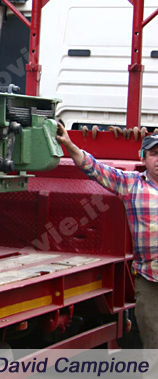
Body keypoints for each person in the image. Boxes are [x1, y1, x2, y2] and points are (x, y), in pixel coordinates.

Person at [57, 123, 158, 348]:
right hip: (150, 282)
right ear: (143, 158)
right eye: (154, 154)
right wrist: (68, 144)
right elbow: (93, 167)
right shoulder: (132, 185)